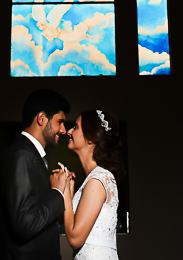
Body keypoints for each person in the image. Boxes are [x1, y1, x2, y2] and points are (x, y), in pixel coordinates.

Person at [0, 89, 73, 260]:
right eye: (60, 122)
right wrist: (56, 192)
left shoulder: (29, 155)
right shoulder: (22, 156)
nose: (64, 130)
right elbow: (25, 223)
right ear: (42, 118)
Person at [59, 109, 125, 260]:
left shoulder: (97, 180)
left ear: (90, 139)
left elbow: (75, 238)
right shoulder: (94, 179)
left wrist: (65, 194)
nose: (69, 131)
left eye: (75, 127)